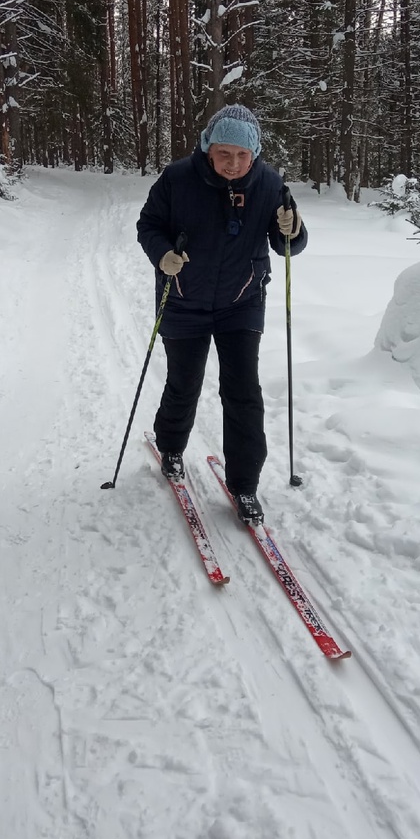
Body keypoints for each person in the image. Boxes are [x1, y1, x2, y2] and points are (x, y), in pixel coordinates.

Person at [136, 103, 307, 525]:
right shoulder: (177, 178)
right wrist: (163, 255)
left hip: (241, 301)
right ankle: (171, 446)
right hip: (182, 298)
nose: (233, 164)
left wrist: (293, 229)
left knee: (243, 391)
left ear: (255, 153)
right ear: (208, 148)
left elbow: (288, 246)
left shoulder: (270, 185)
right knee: (184, 381)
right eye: (224, 153)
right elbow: (148, 225)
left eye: (242, 155)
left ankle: (245, 484)